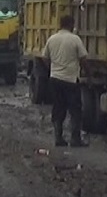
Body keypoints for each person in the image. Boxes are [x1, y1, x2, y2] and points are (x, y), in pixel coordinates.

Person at [40, 14, 88, 147]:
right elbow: (83, 59)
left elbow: (45, 57)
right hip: (71, 80)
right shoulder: (75, 39)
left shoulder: (52, 39)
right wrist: (87, 73)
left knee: (58, 107)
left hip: (55, 79)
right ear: (71, 25)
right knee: (75, 109)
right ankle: (75, 139)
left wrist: (52, 68)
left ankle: (58, 138)